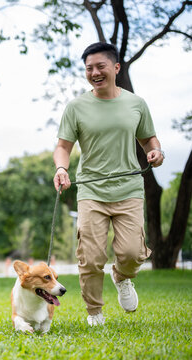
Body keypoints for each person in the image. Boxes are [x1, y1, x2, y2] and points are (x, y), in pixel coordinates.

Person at [53, 42, 164, 327]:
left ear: (116, 68)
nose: (94, 72)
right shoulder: (76, 107)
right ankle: (95, 313)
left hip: (128, 190)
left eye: (100, 66)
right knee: (90, 257)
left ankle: (122, 277)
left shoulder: (136, 104)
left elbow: (149, 139)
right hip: (91, 191)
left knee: (131, 253)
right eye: (89, 68)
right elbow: (63, 146)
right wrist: (62, 167)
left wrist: (156, 152)